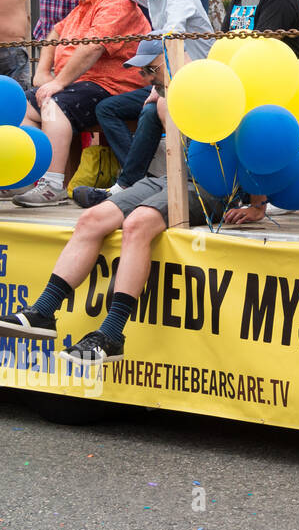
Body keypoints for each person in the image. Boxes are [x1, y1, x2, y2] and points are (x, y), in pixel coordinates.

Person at [0, 37, 262, 362]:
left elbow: (258, 139)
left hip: (214, 186)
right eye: (143, 73)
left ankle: (111, 335)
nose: (146, 79)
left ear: (171, 61)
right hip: (171, 178)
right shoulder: (164, 98)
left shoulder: (213, 85)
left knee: (138, 222)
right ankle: (43, 312)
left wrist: (257, 204)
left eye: (151, 70)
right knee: (91, 219)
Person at [69, 0, 214, 209]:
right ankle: (132, 183)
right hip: (170, 77)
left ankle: (130, 185)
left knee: (149, 111)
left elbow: (173, 39)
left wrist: (160, 90)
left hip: (198, 82)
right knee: (109, 109)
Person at [11, 0, 150, 207]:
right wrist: (43, 71)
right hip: (81, 86)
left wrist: (58, 82)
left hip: (115, 87)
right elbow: (55, 31)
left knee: (52, 102)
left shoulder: (116, 3)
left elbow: (93, 47)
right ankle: (29, 176)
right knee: (25, 107)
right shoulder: (81, 8)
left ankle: (52, 185)